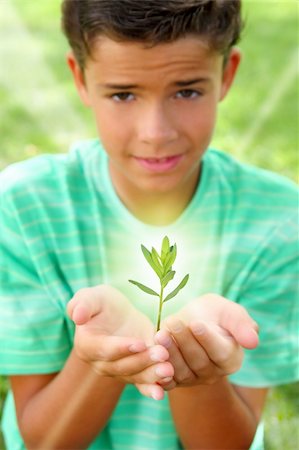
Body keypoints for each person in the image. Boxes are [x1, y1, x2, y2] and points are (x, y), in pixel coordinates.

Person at [0, 1, 298, 449]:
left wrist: (198, 372)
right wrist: (96, 361)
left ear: (227, 74)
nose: (155, 132)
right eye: (123, 94)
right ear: (80, 78)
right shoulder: (24, 210)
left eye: (186, 91)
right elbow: (46, 441)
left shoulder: (277, 221)